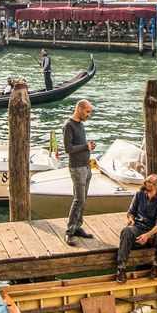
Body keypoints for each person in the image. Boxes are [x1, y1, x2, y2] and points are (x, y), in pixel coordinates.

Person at [116, 174, 157, 282]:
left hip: (152, 231)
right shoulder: (139, 195)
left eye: (148, 181)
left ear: (155, 186)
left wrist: (148, 235)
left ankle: (156, 266)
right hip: (138, 227)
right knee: (127, 231)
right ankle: (121, 268)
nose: (145, 181)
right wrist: (131, 219)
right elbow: (131, 211)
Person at [62, 100, 95, 245]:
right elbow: (68, 148)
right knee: (79, 199)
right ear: (80, 109)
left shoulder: (81, 125)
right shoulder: (69, 125)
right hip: (77, 167)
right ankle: (69, 232)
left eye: (90, 112)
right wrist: (85, 147)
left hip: (86, 166)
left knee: (83, 199)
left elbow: (81, 146)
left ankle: (78, 226)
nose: (89, 115)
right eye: (87, 112)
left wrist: (88, 147)